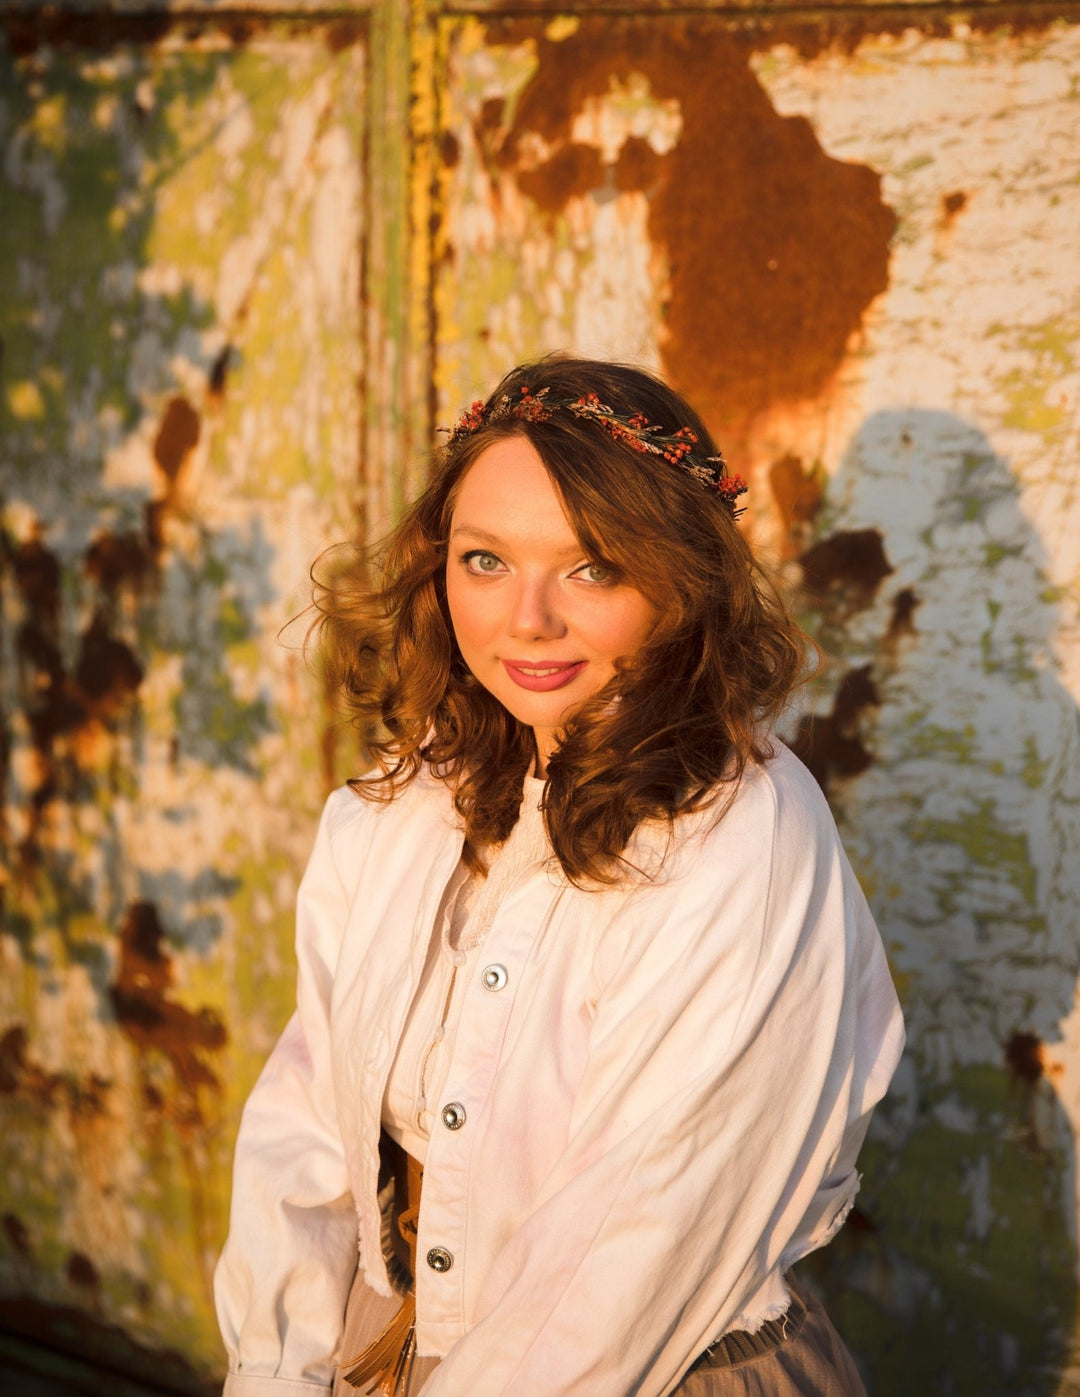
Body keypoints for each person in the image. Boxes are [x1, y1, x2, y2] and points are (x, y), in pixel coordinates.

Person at [214, 356, 905, 1397]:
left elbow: (630, 1251)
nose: (527, 618)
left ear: (682, 583)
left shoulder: (742, 834)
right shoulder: (407, 801)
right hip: (385, 1354)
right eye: (485, 560)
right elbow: (308, 1119)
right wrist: (275, 1372)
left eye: (592, 568)